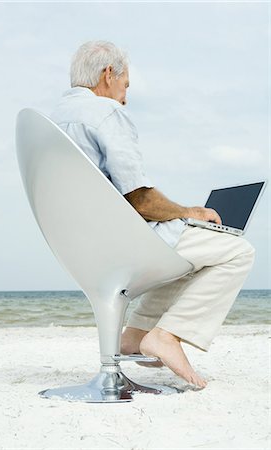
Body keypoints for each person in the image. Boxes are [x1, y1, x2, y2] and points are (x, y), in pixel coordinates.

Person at [51, 41, 255, 388]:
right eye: (126, 86)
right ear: (108, 74)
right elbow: (141, 200)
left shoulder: (53, 120)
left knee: (185, 245)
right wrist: (189, 212)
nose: (125, 97)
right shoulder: (106, 113)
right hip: (119, 248)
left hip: (76, 248)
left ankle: (136, 334)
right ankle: (166, 335)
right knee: (237, 251)